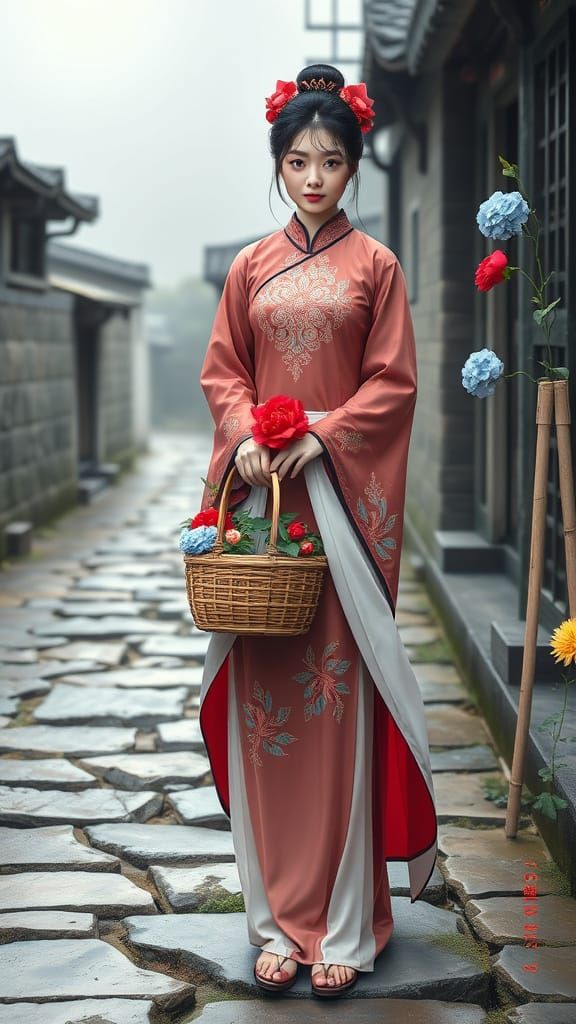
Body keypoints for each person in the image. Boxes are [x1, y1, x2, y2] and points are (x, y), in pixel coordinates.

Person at [197, 62, 438, 998]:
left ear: (353, 168)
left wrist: (323, 437)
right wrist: (244, 438)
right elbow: (225, 374)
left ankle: (345, 923)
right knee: (269, 716)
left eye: (330, 162)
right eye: (296, 161)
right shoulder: (249, 267)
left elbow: (393, 384)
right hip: (264, 520)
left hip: (335, 511)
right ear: (278, 163)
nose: (311, 178)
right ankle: (273, 922)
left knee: (337, 711)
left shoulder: (376, 267)